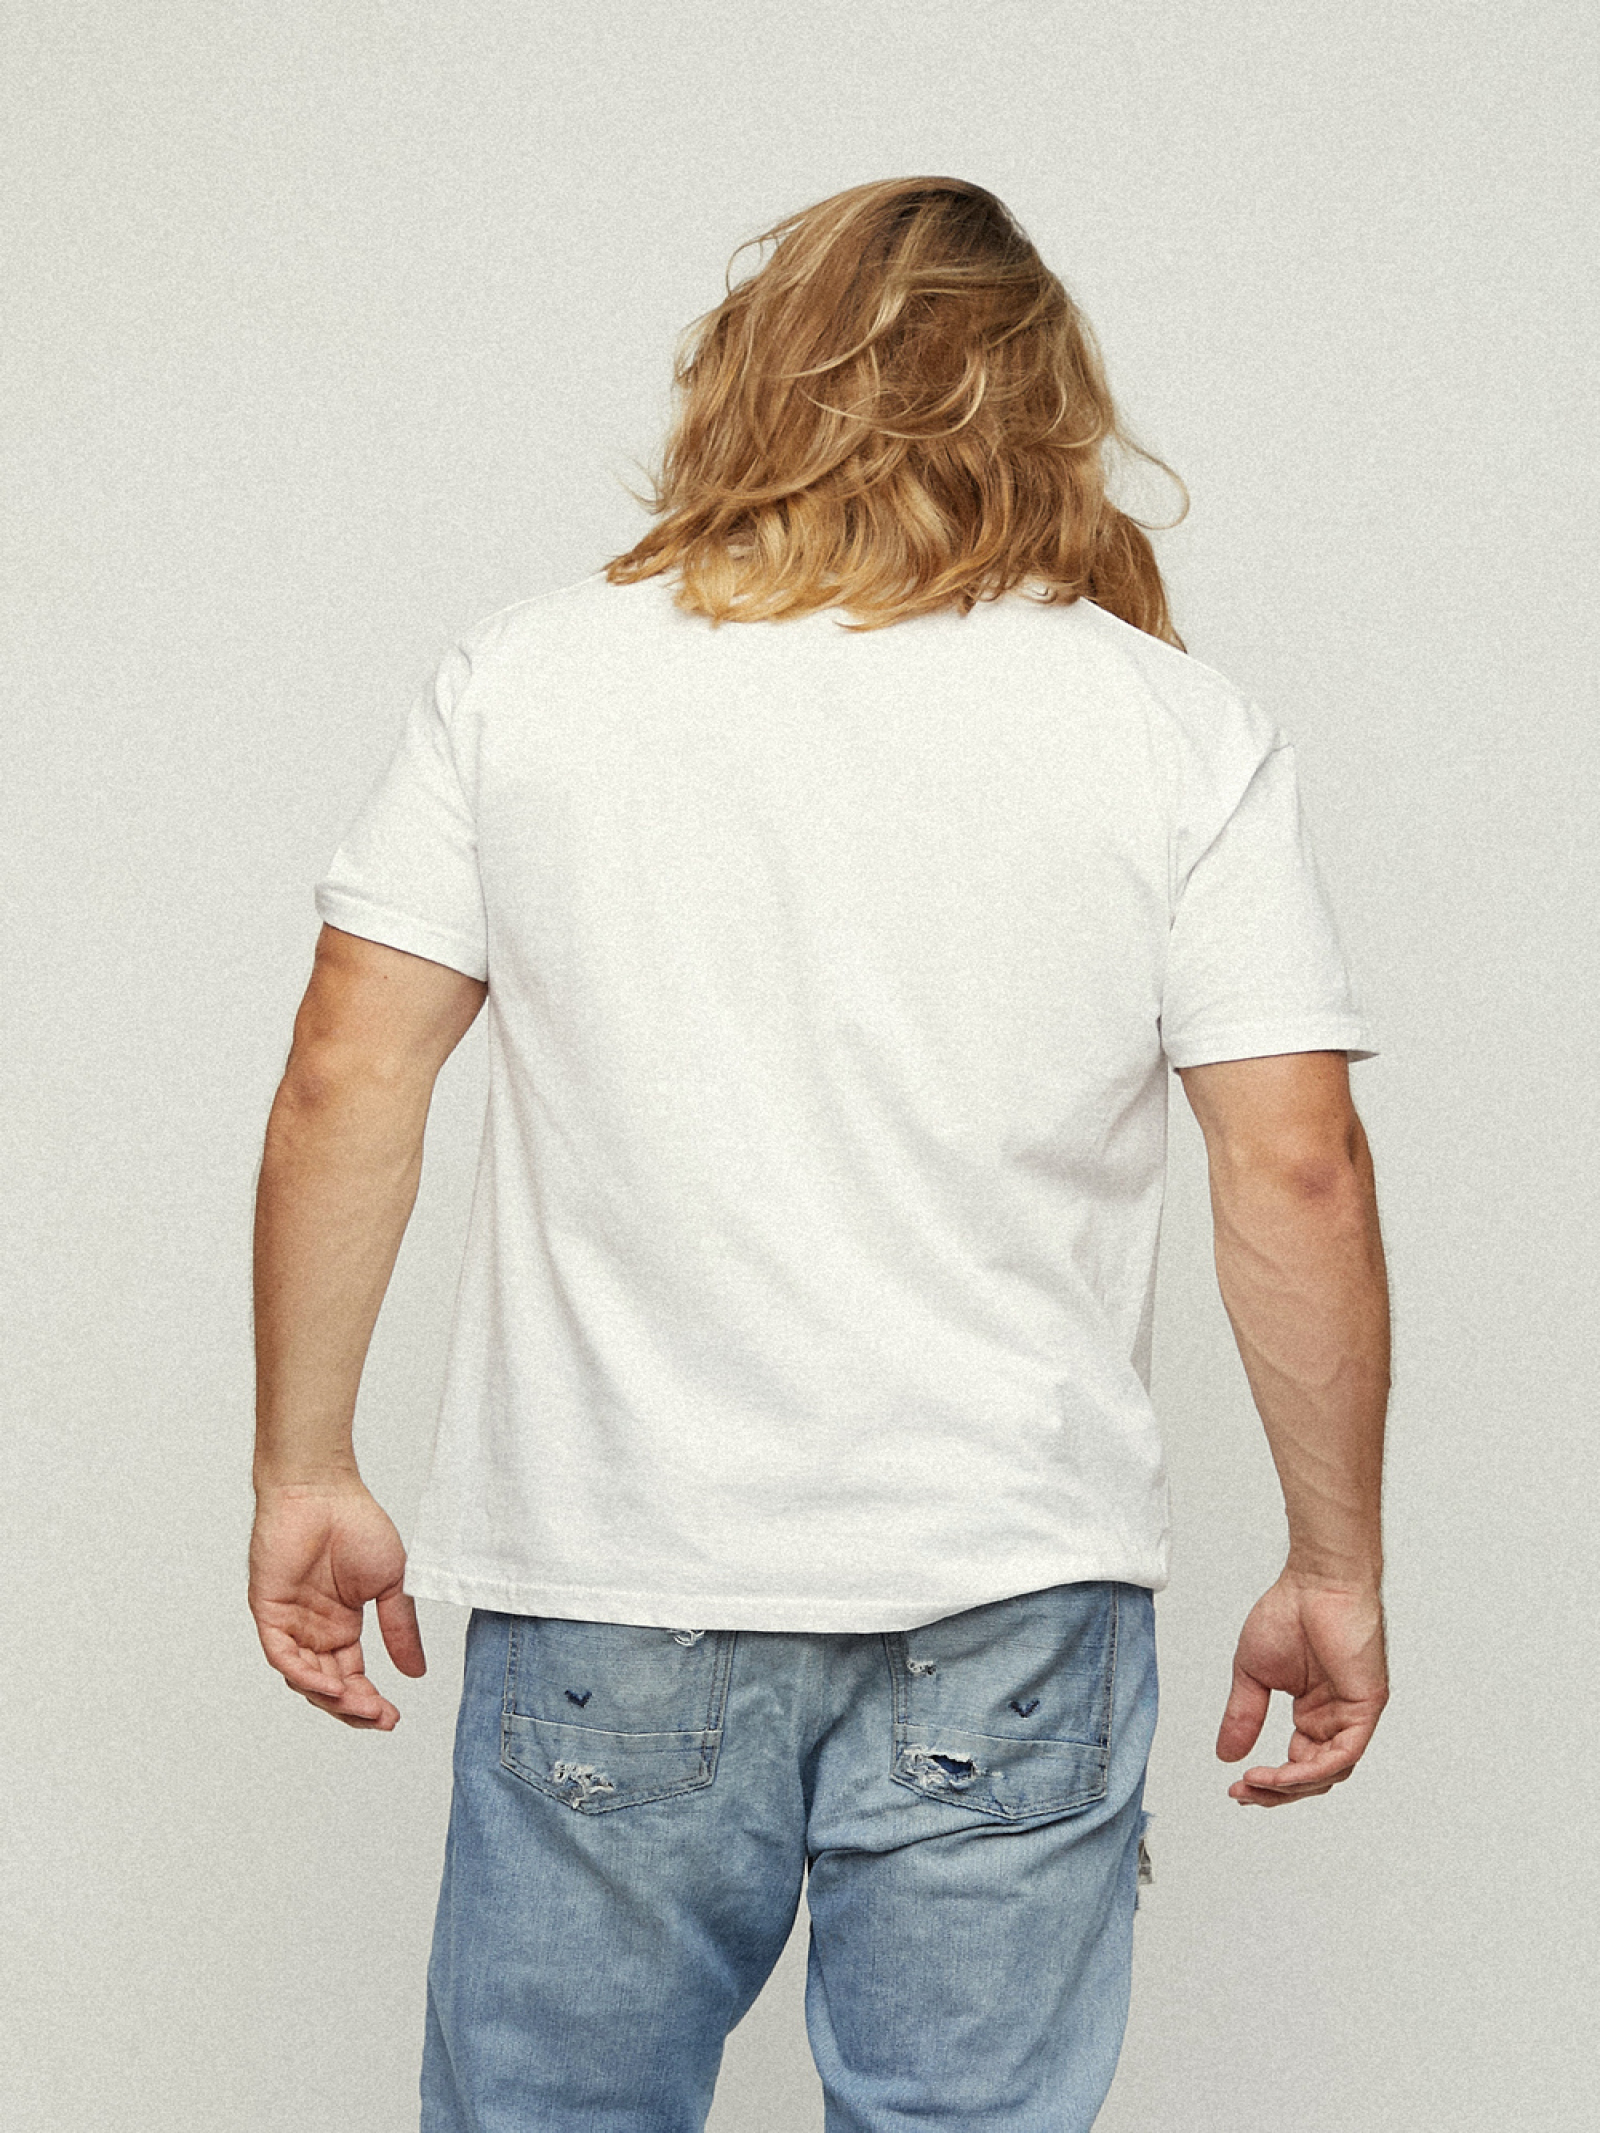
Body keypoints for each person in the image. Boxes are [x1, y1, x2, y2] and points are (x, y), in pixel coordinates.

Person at [248, 177, 1390, 2132]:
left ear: (746, 378)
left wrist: (303, 1464)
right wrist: (1331, 1559)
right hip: (1007, 1586)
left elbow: (346, 1073)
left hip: (617, 1569)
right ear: (1051, 407)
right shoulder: (1173, 729)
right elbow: (1295, 1166)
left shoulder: (528, 679)